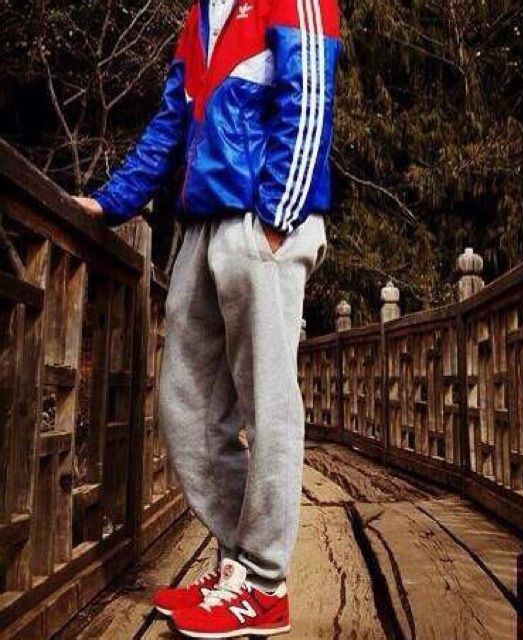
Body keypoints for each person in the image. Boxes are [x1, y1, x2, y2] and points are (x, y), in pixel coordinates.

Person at [74, 0, 340, 636]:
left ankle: (265, 581)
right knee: (185, 405)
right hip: (200, 224)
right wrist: (111, 202)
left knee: (268, 404)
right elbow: (170, 124)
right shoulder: (198, 18)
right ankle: (240, 567)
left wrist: (276, 217)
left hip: (262, 220)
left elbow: (309, 98)